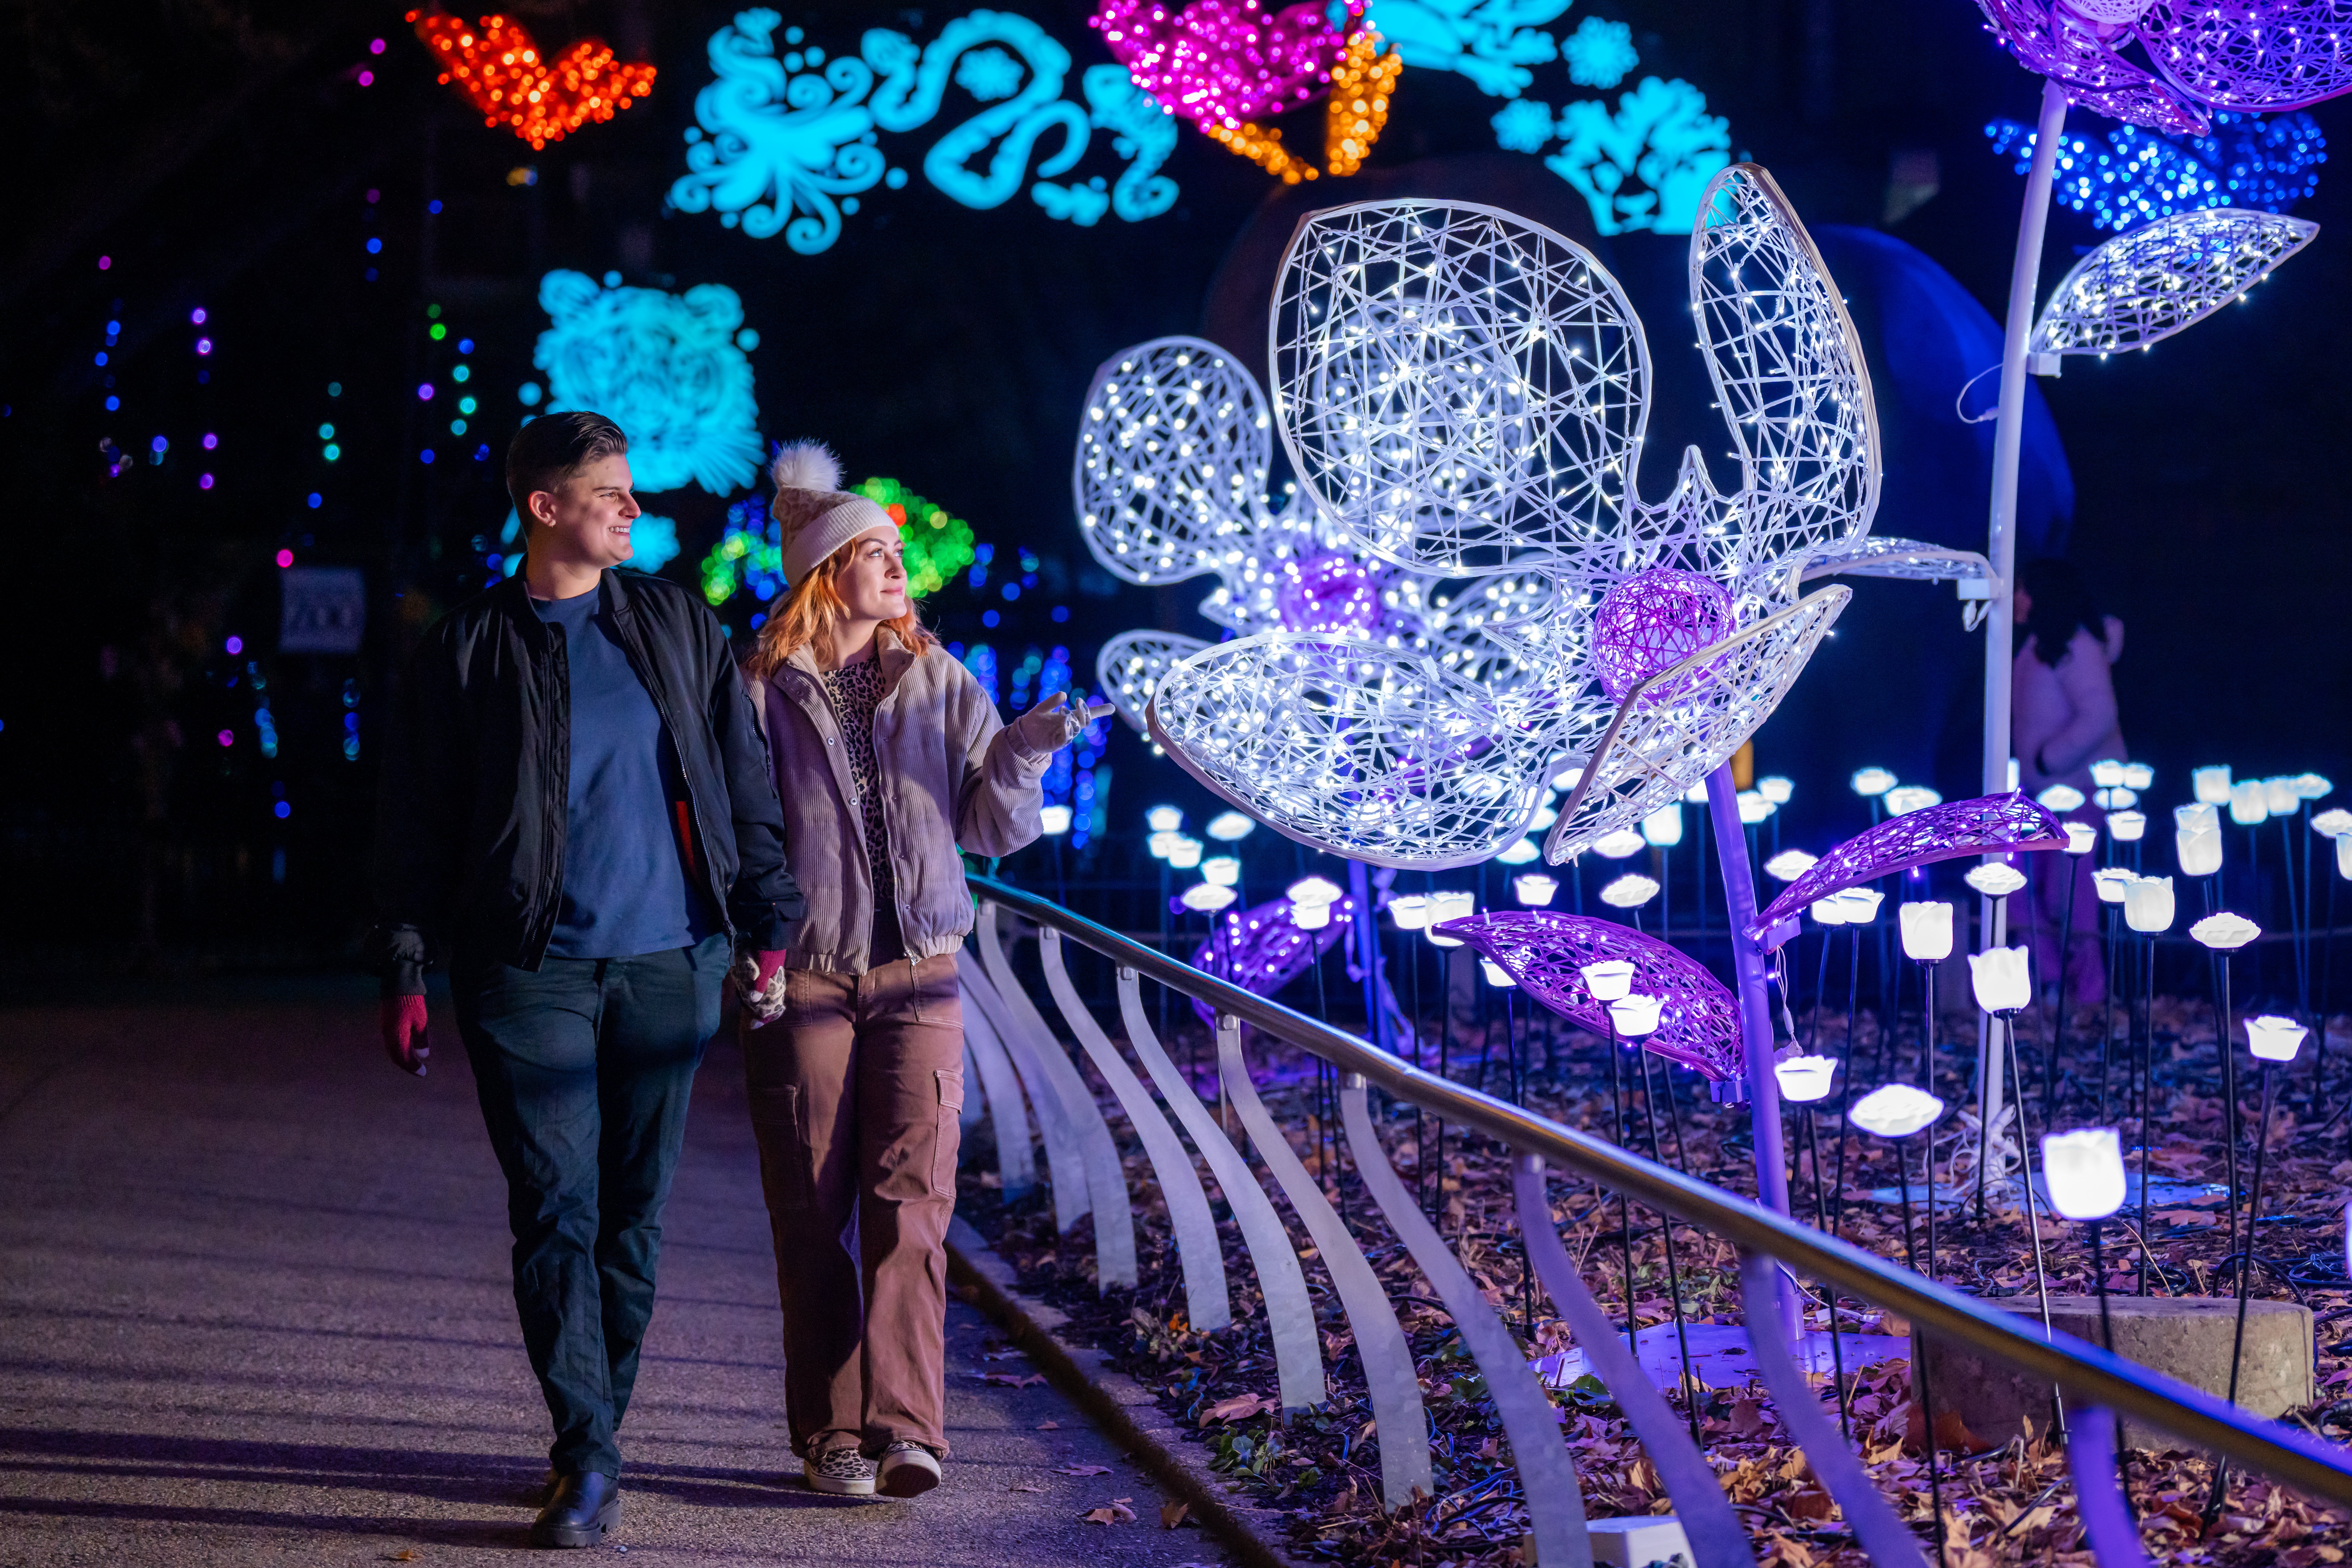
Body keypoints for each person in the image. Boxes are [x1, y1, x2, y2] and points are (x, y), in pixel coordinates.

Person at [371, 412, 801, 1549]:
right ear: (543, 507)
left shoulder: (671, 624)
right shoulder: (468, 648)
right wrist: (407, 964)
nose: (631, 508)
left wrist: (766, 926)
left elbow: (739, 780)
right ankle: (588, 1454)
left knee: (631, 1217)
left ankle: (594, 1427)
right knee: (554, 1212)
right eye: (608, 492)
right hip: (528, 975)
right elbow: (411, 820)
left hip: (668, 965)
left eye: (631, 491)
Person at [739, 442, 1097, 1500]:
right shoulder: (762, 691)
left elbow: (993, 829)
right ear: (823, 570)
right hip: (803, 977)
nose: (897, 567)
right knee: (811, 1211)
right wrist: (745, 941)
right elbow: (735, 832)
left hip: (921, 976)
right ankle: (830, 1432)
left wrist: (1026, 748)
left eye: (897, 552)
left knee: (912, 1206)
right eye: (874, 550)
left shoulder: (939, 680)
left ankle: (906, 1428)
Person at [2013, 555, 2126, 1007]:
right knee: (2026, 889)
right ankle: (2051, 984)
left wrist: (2048, 757)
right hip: (2041, 793)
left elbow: (2099, 713)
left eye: (2023, 587)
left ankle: (2089, 995)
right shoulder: (2037, 645)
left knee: (2069, 893)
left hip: (2075, 790)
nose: (2015, 596)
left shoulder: (2076, 647)